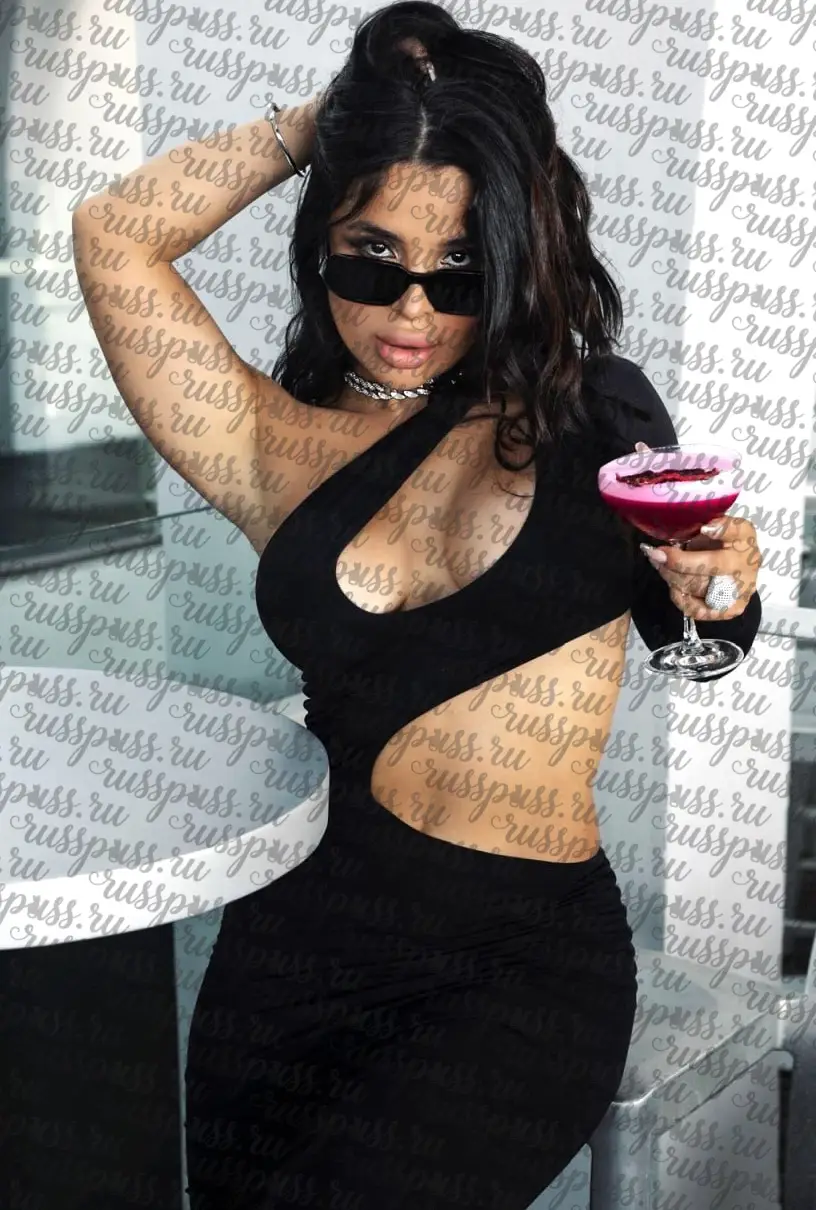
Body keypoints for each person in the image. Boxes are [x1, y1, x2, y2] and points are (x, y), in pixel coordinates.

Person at [71, 3, 763, 1206]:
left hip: (517, 966)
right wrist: (332, 122)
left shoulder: (591, 412)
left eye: (460, 273)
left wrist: (722, 587)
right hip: (295, 952)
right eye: (371, 259)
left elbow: (701, 617)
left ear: (514, 255)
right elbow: (113, 235)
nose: (410, 311)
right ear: (322, 246)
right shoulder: (273, 446)